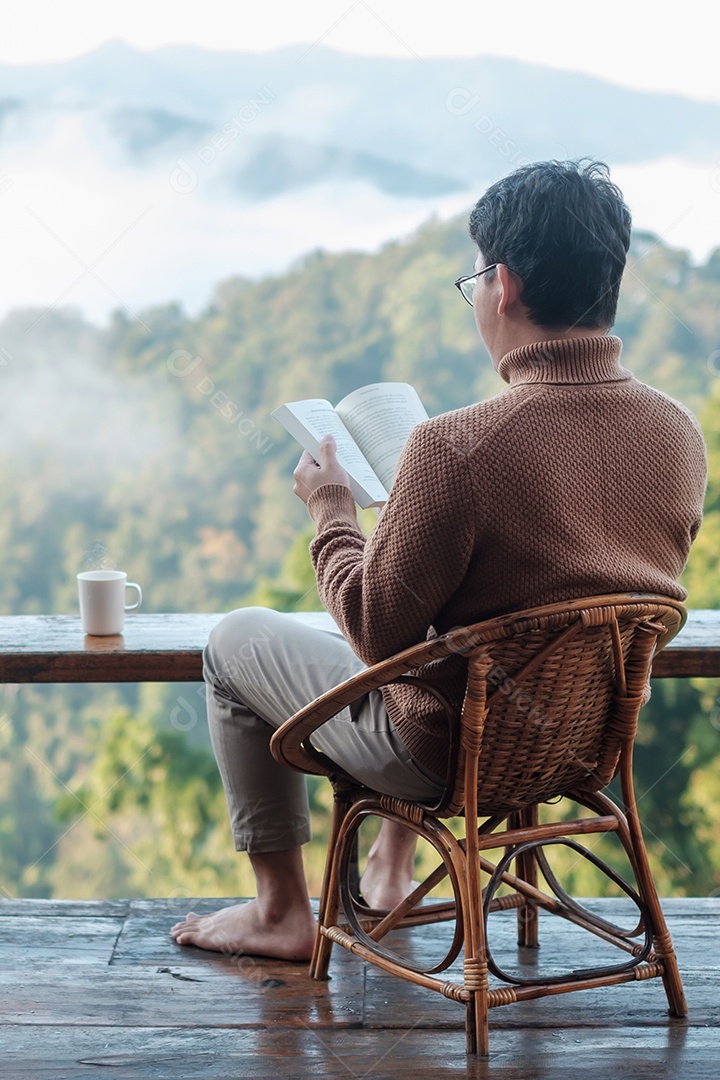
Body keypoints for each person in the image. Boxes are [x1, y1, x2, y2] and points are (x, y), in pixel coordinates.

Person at [170, 159, 707, 960]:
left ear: (507, 285)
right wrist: (413, 523)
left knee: (235, 639)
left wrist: (333, 515)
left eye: (475, 281)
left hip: (446, 756)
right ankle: (389, 872)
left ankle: (281, 909)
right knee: (444, 648)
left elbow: (376, 639)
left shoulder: (457, 447)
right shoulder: (678, 433)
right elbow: (574, 580)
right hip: (582, 746)